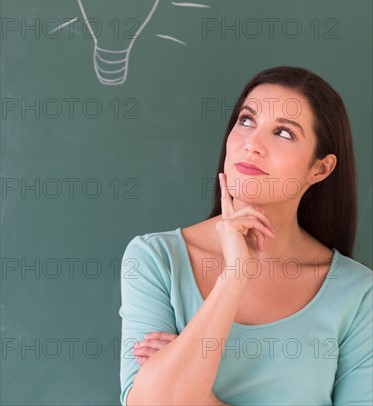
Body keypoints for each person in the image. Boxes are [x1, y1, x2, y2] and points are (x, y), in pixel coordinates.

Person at [119, 66, 372, 406]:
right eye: (247, 120)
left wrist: (200, 398)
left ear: (320, 169)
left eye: (283, 133)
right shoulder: (156, 258)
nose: (252, 144)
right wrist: (235, 276)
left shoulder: (358, 294)